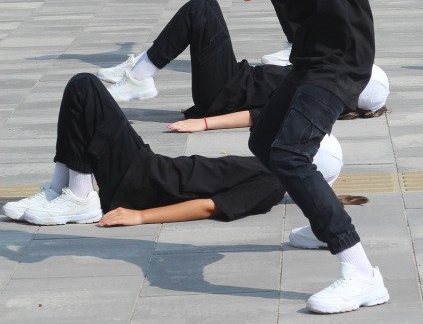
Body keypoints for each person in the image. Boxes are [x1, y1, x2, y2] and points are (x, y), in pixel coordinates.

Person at [214, 0, 384, 315]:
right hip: (314, 51)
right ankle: (320, 215)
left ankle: (361, 273)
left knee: (289, 154)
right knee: (265, 141)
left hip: (341, 57)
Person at [2, 73, 342, 229]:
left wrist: (140, 217)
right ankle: (60, 190)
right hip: (145, 171)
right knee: (81, 96)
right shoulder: (265, 168)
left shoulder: (270, 184)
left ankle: (78, 198)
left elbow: (209, 207)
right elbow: (259, 116)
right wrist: (205, 123)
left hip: (140, 180)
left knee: (84, 87)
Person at [95, 0, 389, 120]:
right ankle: (141, 69)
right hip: (232, 80)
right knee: (205, 6)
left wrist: (205, 123)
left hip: (223, 94)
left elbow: (256, 118)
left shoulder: (313, 99)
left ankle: (140, 75)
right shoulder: (319, 82)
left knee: (202, 10)